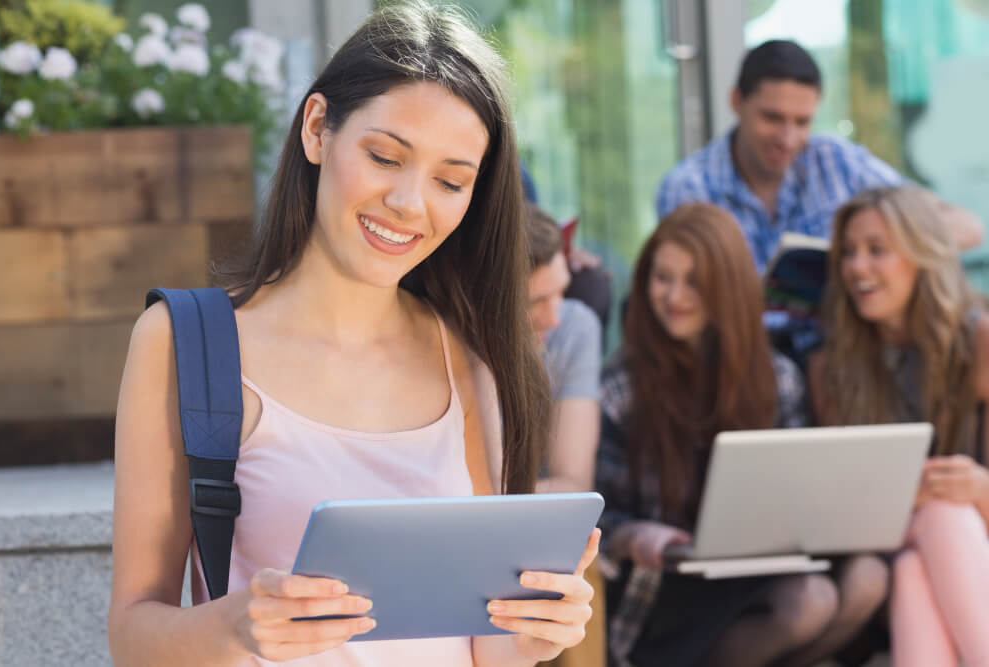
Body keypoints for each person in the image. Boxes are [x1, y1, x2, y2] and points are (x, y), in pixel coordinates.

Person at [106, 4, 599, 666]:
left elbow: (483, 648)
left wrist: (532, 631)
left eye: (451, 181)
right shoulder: (185, 340)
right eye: (384, 155)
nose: (409, 202)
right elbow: (132, 635)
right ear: (317, 128)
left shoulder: (467, 354)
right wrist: (235, 624)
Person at [596, 202, 888, 667]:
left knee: (866, 578)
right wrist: (633, 534)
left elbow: (806, 496)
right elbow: (594, 514)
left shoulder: (778, 378)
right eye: (662, 277)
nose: (674, 295)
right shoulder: (619, 388)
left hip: (758, 570)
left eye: (694, 281)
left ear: (728, 288)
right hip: (663, 589)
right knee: (808, 603)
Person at [809, 186, 989, 667]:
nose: (856, 268)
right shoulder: (832, 369)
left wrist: (980, 488)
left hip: (971, 546)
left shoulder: (980, 342)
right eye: (847, 252)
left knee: (933, 537)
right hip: (882, 554)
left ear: (921, 254)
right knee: (923, 541)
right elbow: (831, 515)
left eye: (876, 250)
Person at [656, 40, 982, 273]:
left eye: (802, 121)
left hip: (842, 348)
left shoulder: (836, 160)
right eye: (772, 118)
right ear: (736, 101)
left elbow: (966, 227)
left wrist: (873, 255)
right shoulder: (688, 188)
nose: (788, 138)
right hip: (740, 358)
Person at [523, 201, 606, 667]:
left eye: (560, 292)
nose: (552, 317)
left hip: (532, 536)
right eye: (535, 301)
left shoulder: (572, 328)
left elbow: (573, 484)